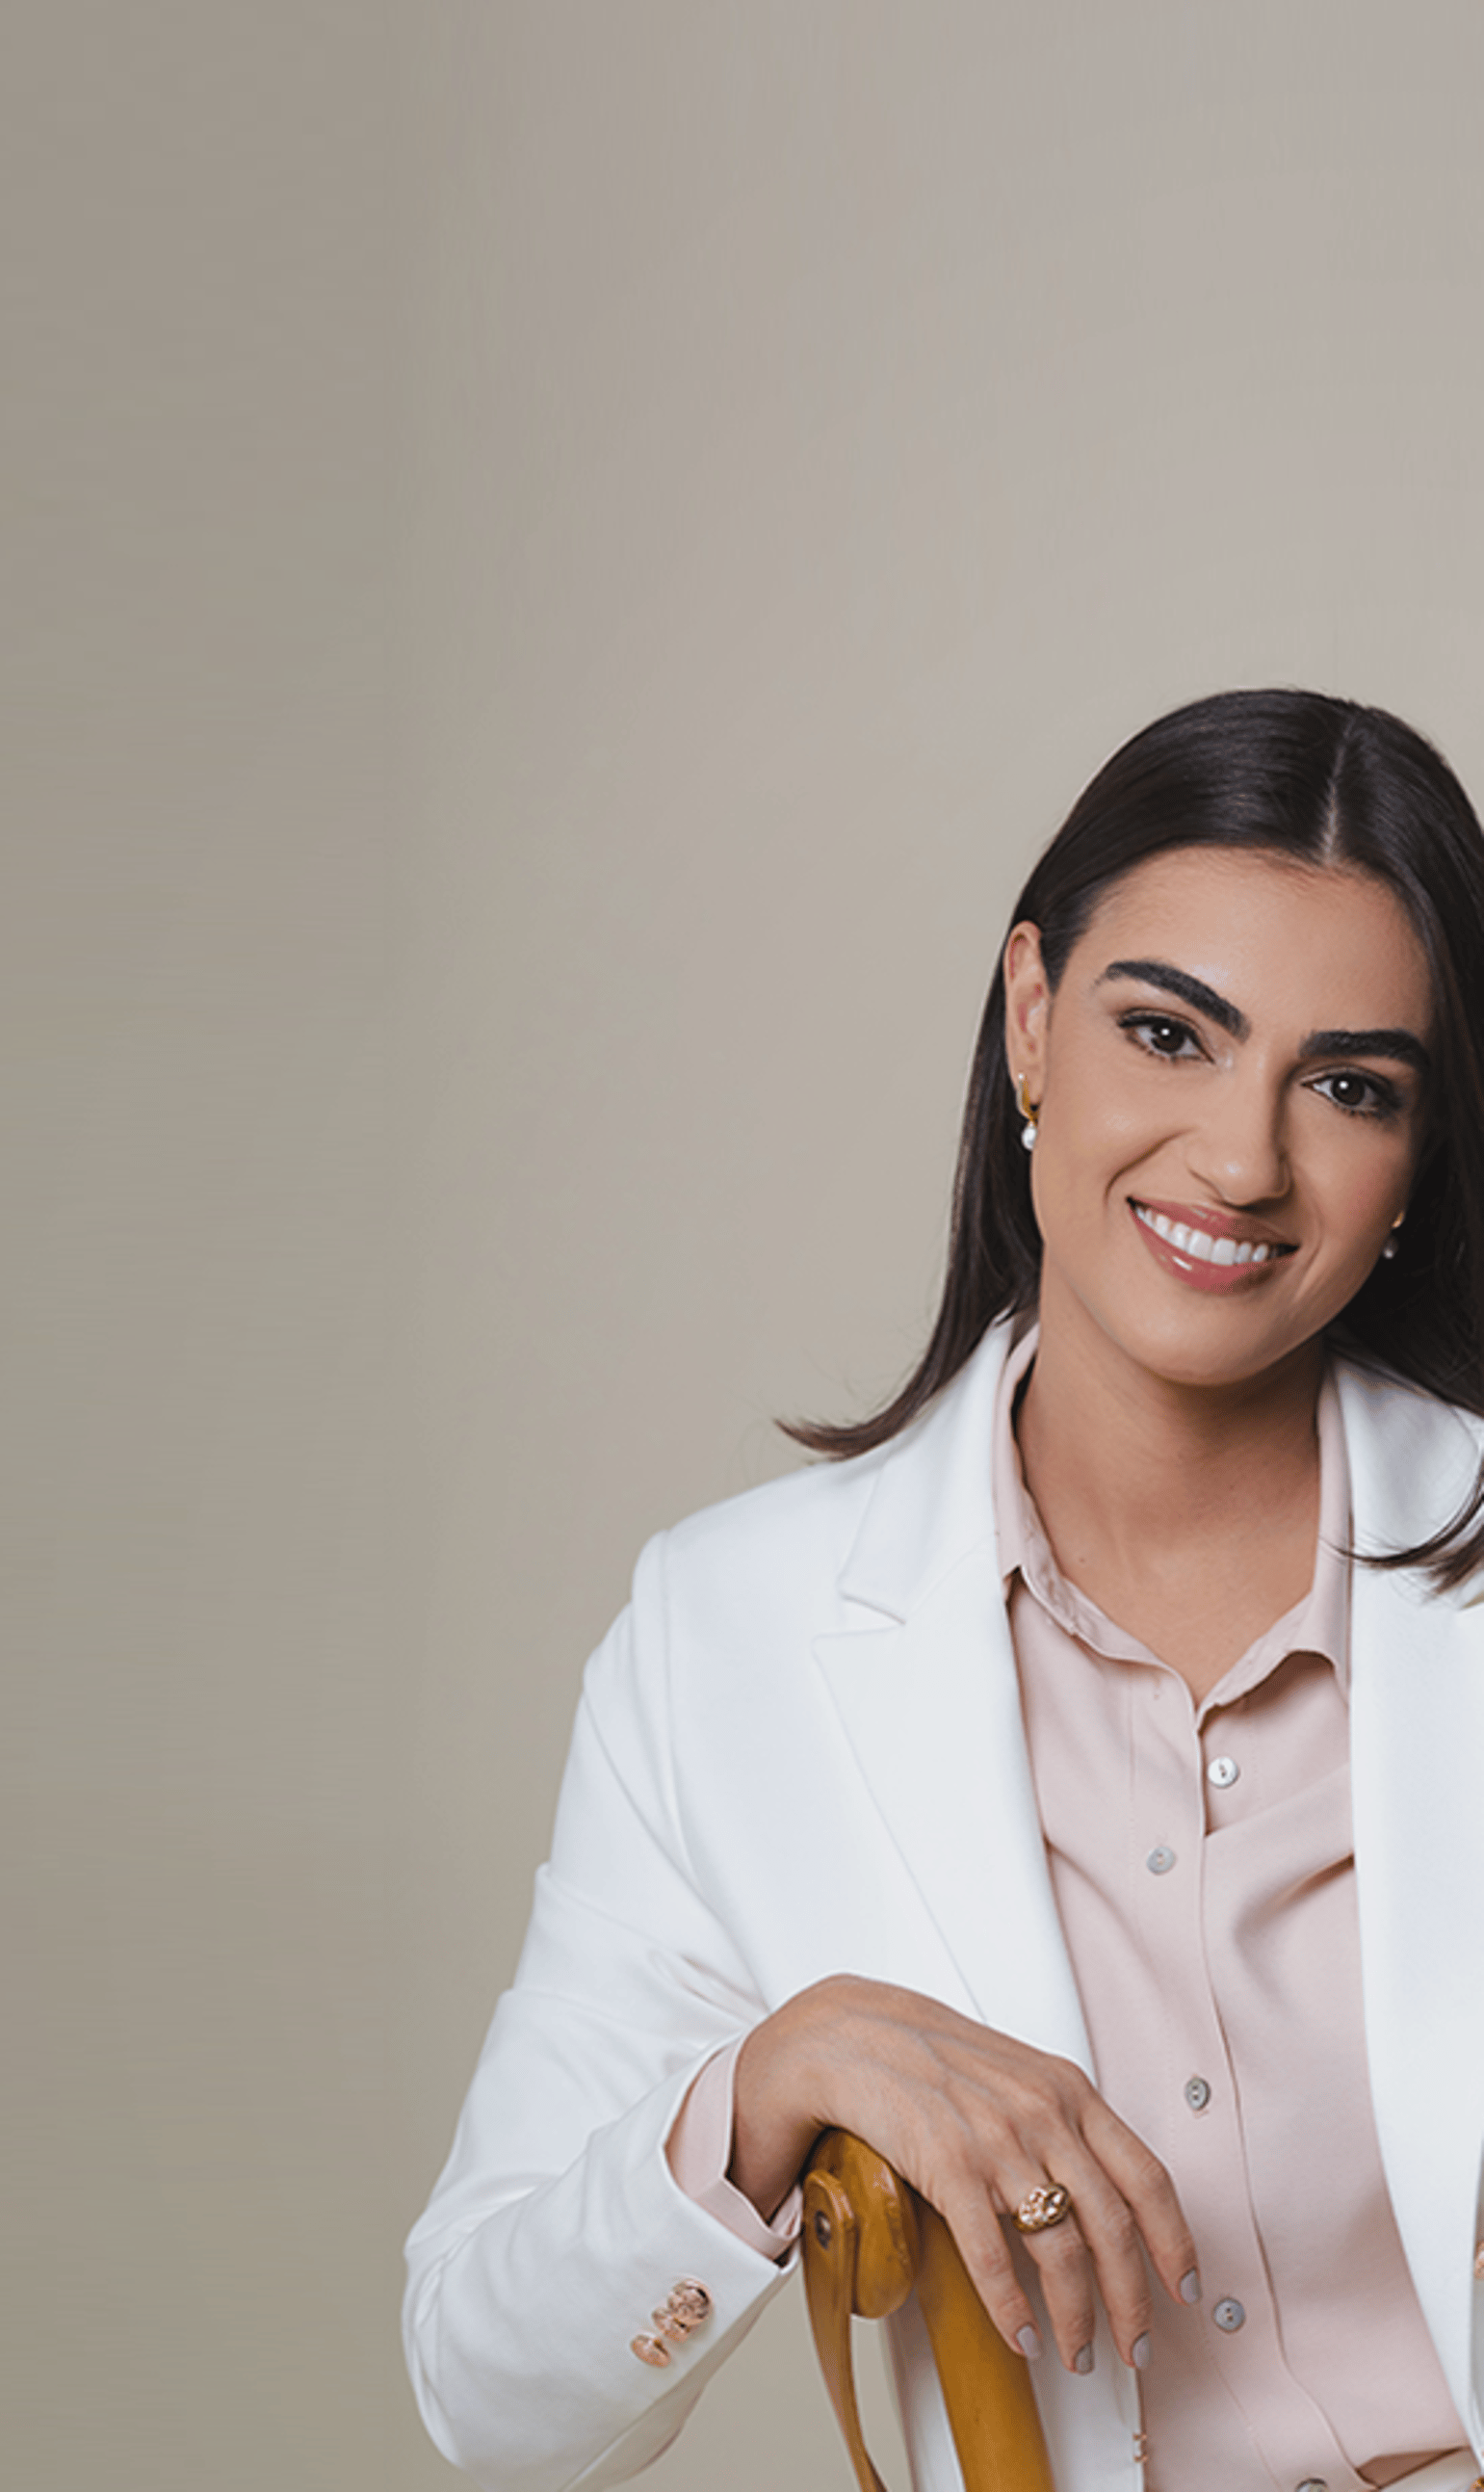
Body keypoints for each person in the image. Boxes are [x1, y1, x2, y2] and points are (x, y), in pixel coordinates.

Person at [404, 690, 1484, 2492]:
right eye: (1169, 1032)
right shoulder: (728, 1638)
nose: (1242, 1161)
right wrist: (777, 2075)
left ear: (1418, 1160)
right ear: (1032, 1016)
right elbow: (493, 2399)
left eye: (1349, 1084)